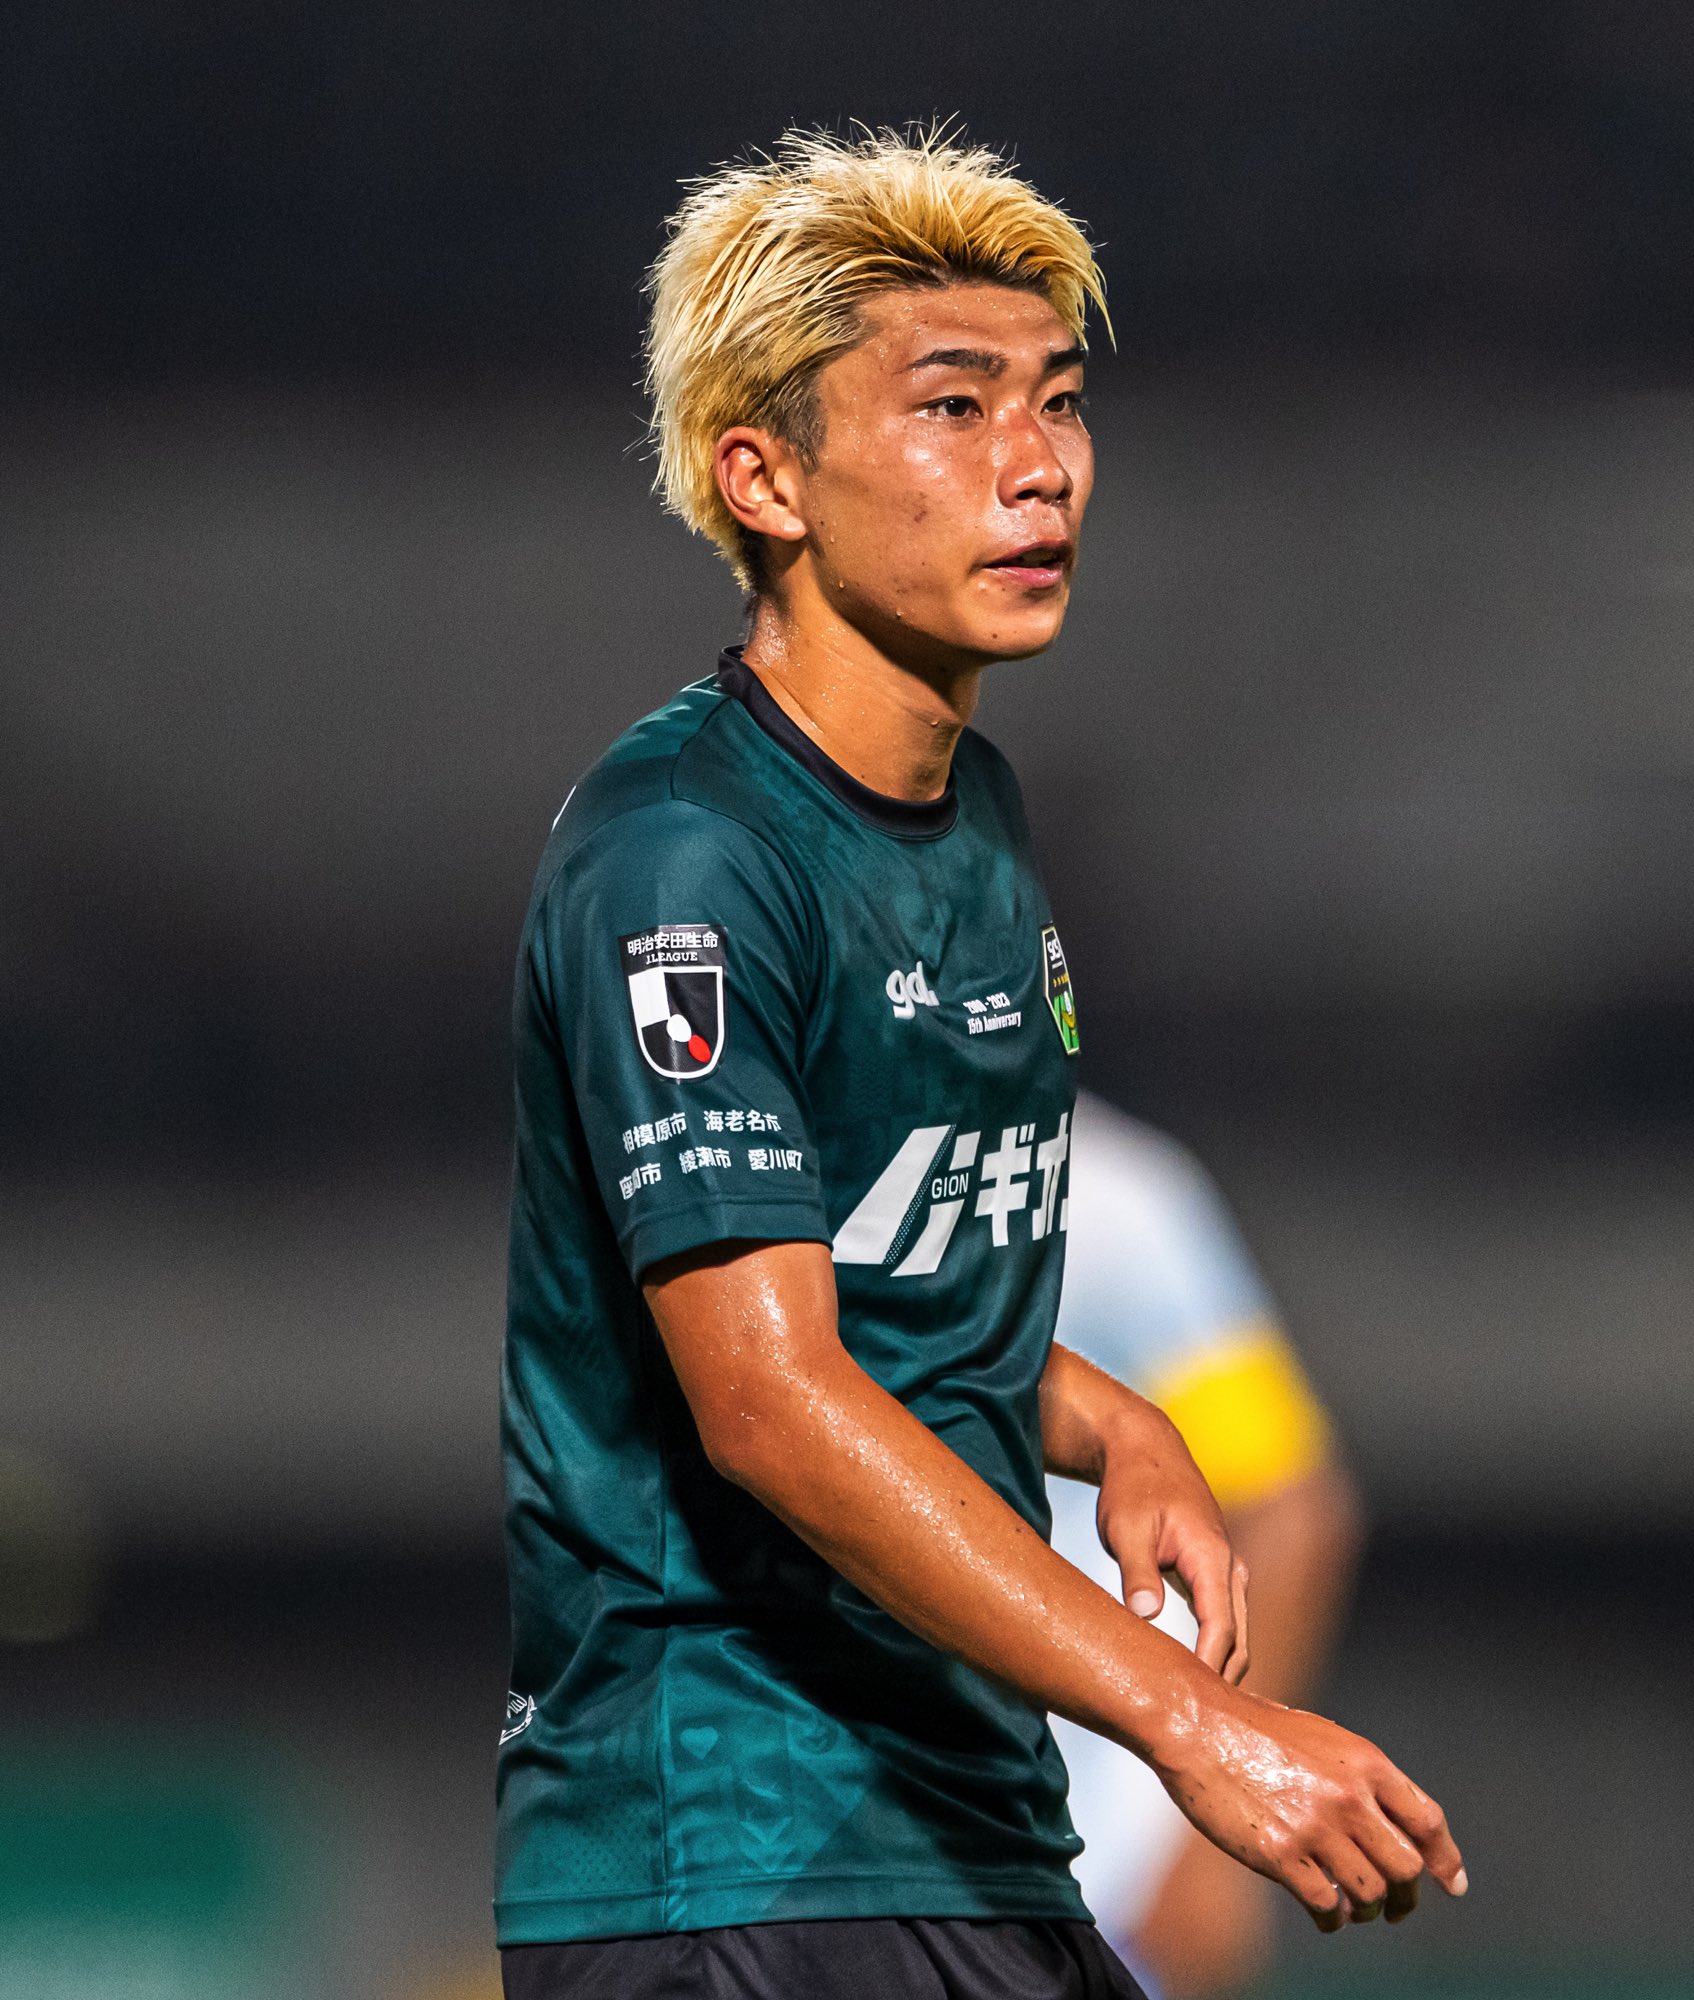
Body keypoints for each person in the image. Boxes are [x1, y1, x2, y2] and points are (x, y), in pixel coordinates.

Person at [492, 127, 1463, 2000]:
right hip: (732, 1848)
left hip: (961, 1823)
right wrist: (1195, 1721)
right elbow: (771, 1399)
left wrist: (1114, 1426)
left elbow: (897, 1295)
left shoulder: (977, 821)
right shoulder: (684, 857)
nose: (1039, 464)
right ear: (763, 476)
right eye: (954, 405)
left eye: (1059, 402)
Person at [1048, 1094, 1365, 1996]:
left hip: (1105, 1857)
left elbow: (1289, 1505)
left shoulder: (1113, 1195)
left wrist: (1211, 1845)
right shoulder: (780, 1159)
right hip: (877, 1836)